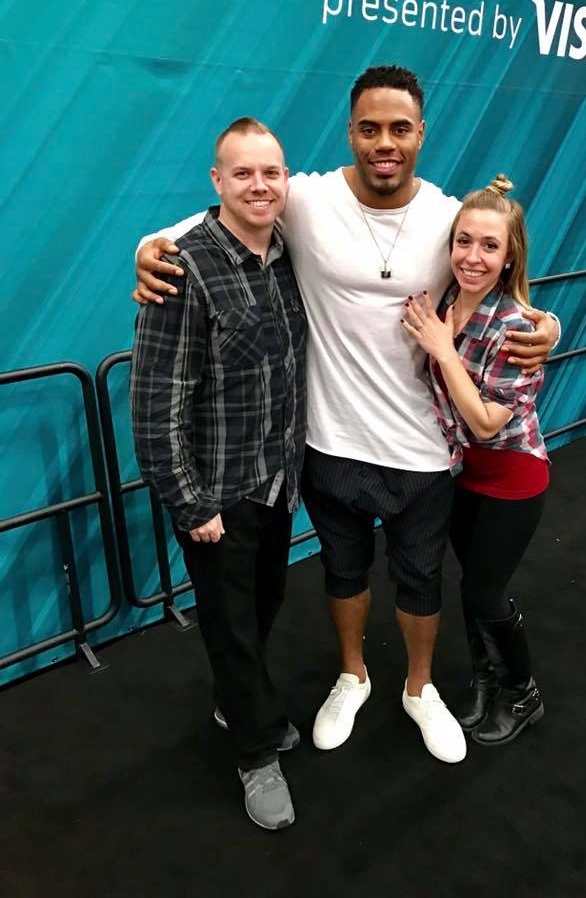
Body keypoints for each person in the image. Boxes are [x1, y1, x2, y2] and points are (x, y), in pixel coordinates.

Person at [133, 66, 560, 764]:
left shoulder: (446, 216)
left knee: (421, 580)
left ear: (421, 134)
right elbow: (203, 224)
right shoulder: (305, 198)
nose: (384, 142)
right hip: (329, 442)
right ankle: (352, 677)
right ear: (351, 134)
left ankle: (421, 689)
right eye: (370, 128)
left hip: (421, 447)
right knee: (343, 572)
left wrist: (549, 324)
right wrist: (145, 248)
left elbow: (495, 268)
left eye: (399, 128)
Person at [130, 118, 306, 830]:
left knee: (262, 606)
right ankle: (255, 754)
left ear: (285, 177)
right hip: (217, 496)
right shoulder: (183, 268)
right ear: (217, 181)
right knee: (231, 627)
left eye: (271, 172)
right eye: (243, 173)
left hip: (276, 480)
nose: (259, 185)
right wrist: (190, 502)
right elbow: (155, 402)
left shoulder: (289, 254)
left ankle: (238, 702)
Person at [401, 175, 548, 747]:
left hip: (513, 477)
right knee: (471, 588)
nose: (473, 256)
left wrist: (443, 350)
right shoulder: (444, 303)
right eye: (464, 241)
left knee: (487, 591)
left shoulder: (516, 326)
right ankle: (486, 683)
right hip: (465, 476)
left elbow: (487, 423)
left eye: (490, 246)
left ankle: (524, 693)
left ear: (510, 257)